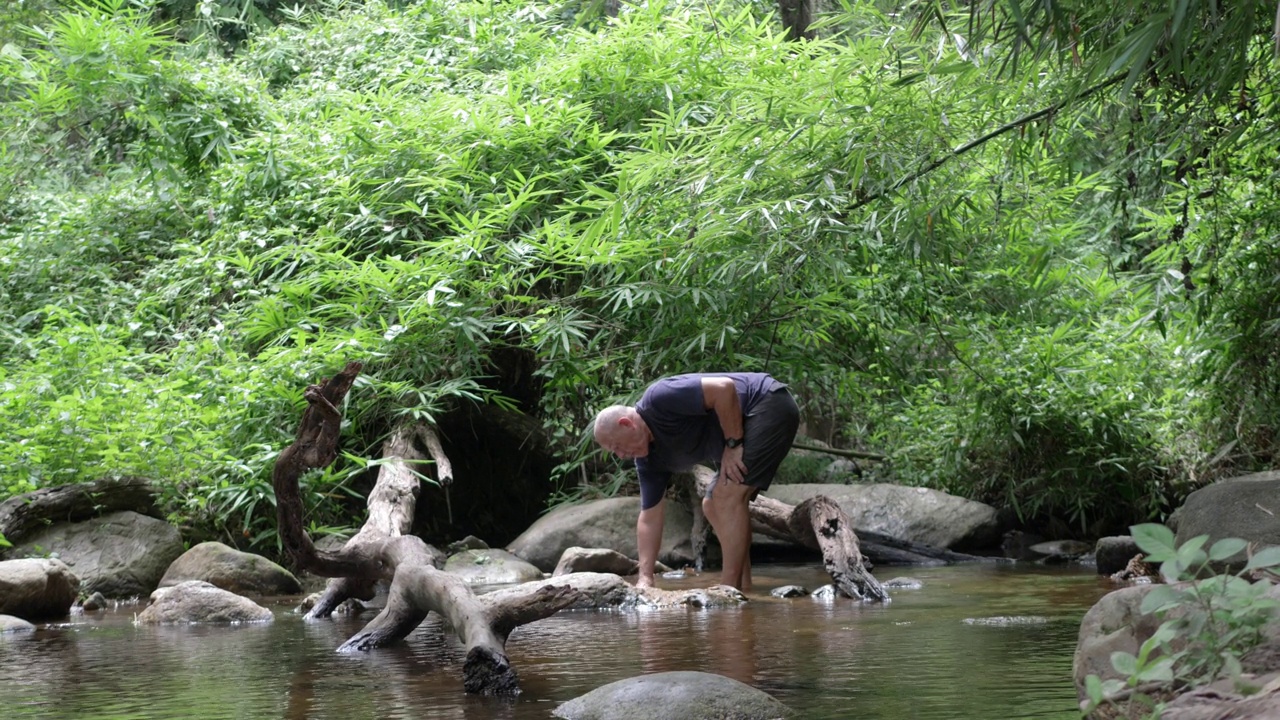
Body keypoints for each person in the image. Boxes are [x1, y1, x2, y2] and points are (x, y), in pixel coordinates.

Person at [592, 373, 800, 591]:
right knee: (711, 505)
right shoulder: (647, 461)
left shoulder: (659, 399)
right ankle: (744, 586)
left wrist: (733, 443)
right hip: (747, 424)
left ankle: (727, 590)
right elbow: (649, 518)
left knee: (725, 498)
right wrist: (645, 578)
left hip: (767, 402)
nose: (621, 455)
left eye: (617, 447)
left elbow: (724, 388)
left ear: (626, 424)